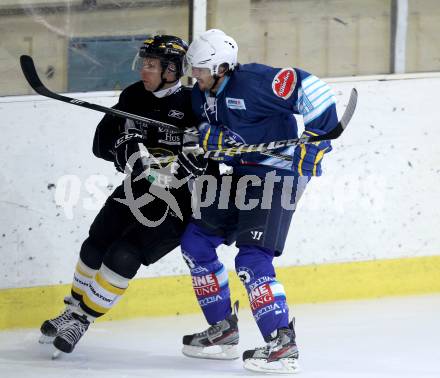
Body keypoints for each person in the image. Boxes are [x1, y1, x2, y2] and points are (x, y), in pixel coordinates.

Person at [39, 35, 212, 354]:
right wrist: (121, 148)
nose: (143, 71)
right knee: (95, 245)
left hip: (178, 202)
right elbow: (101, 143)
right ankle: (72, 308)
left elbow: (205, 158)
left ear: (172, 70)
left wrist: (194, 158)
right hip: (136, 188)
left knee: (123, 255)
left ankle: (82, 319)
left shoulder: (195, 104)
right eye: (142, 64)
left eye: (151, 65)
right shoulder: (133, 95)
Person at [179, 29, 338, 374]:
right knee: (195, 242)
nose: (195, 76)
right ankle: (223, 331)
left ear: (221, 67)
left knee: (251, 260)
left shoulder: (253, 83)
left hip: (277, 177)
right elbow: (219, 138)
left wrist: (316, 142)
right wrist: (203, 141)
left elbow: (312, 89)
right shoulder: (200, 94)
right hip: (239, 176)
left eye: (201, 70)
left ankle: (282, 344)